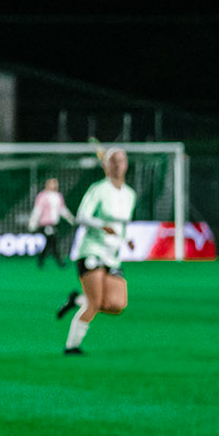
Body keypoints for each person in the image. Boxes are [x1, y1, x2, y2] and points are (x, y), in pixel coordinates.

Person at [56, 146, 136, 354]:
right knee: (94, 304)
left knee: (117, 304)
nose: (118, 164)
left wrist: (126, 239)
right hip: (91, 250)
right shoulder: (98, 189)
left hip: (112, 255)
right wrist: (102, 225)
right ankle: (71, 346)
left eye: (121, 160)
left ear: (126, 164)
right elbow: (81, 216)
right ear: (105, 165)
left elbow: (122, 225)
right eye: (114, 161)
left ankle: (76, 300)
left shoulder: (130, 194)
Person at [27, 176, 73, 269]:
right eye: (53, 183)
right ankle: (60, 262)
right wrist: (32, 223)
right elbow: (37, 210)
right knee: (53, 241)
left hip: (54, 223)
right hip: (46, 224)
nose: (55, 185)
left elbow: (62, 210)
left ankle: (41, 259)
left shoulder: (58, 196)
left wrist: (71, 219)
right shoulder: (42, 196)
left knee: (50, 243)